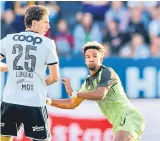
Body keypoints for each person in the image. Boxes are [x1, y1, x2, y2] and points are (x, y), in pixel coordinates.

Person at [46, 41, 145, 141]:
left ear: (101, 59)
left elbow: (100, 94)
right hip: (119, 123)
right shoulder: (88, 83)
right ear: (85, 60)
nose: (91, 59)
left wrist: (74, 93)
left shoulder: (107, 72)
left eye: (94, 56)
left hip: (128, 117)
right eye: (88, 57)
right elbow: (72, 103)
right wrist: (47, 101)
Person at [0, 5, 59, 141]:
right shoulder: (48, 43)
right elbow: (55, 77)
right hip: (34, 101)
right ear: (34, 23)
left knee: (4, 138)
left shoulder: (9, 39)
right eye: (45, 22)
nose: (48, 26)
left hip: (10, 99)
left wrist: (9, 67)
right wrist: (37, 84)